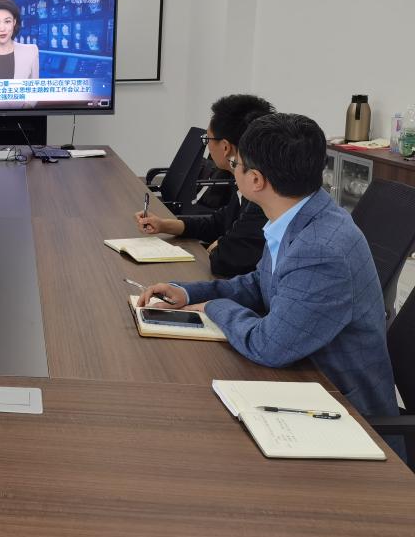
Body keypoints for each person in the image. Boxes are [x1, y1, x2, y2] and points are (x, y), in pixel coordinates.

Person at [138, 113, 397, 418]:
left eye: (236, 164)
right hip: (306, 376)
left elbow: (268, 345)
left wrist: (212, 307)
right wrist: (188, 293)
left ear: (256, 180)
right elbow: (260, 282)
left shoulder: (319, 250)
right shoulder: (301, 214)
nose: (232, 169)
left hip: (346, 412)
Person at [136, 94, 275, 276]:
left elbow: (225, 260)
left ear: (225, 147)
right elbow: (220, 222)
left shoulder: (262, 196)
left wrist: (219, 245)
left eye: (207, 140)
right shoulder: (249, 180)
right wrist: (165, 225)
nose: (207, 147)